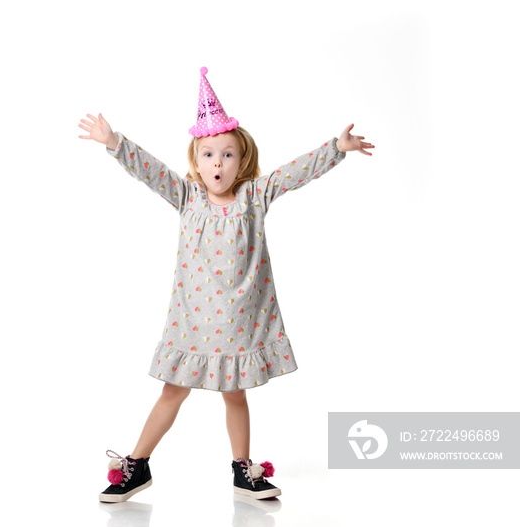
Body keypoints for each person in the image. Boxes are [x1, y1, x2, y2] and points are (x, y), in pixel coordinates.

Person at [78, 67, 375, 502]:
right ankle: (138, 464)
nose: (218, 163)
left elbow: (297, 172)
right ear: (197, 162)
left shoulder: (256, 196)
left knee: (234, 395)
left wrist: (337, 148)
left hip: (240, 321)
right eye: (209, 155)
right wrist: (115, 143)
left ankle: (242, 470)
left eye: (228, 155)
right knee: (173, 391)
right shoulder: (187, 197)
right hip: (193, 320)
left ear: (243, 160)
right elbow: (151, 171)